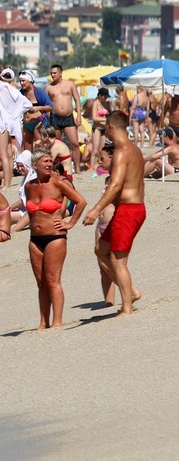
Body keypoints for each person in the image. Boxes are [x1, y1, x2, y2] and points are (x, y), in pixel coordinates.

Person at [83, 111, 146, 316]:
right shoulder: (135, 149)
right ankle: (132, 292)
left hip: (128, 210)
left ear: (110, 127)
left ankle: (126, 307)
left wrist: (96, 209)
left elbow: (115, 184)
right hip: (132, 209)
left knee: (119, 260)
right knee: (101, 249)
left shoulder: (120, 152)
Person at [25, 149, 87, 329]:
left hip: (55, 237)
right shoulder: (29, 186)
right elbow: (31, 211)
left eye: (50, 161)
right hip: (35, 239)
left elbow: (80, 201)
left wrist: (70, 223)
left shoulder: (58, 183)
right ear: (35, 165)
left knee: (53, 280)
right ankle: (43, 322)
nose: (48, 164)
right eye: (44, 161)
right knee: (41, 282)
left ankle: (57, 322)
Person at [45, 64, 83, 171]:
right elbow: (45, 105)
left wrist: (79, 116)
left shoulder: (70, 84)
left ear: (61, 73)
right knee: (55, 144)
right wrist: (47, 119)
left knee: (75, 143)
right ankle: (55, 168)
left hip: (68, 117)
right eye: (51, 73)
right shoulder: (48, 88)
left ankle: (77, 168)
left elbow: (77, 100)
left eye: (54, 73)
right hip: (55, 118)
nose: (52, 75)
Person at [93, 146, 118, 307]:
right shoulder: (108, 179)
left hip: (113, 224)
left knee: (113, 263)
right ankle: (108, 303)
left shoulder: (119, 178)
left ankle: (127, 289)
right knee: (102, 266)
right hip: (100, 225)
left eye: (103, 158)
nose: (100, 162)